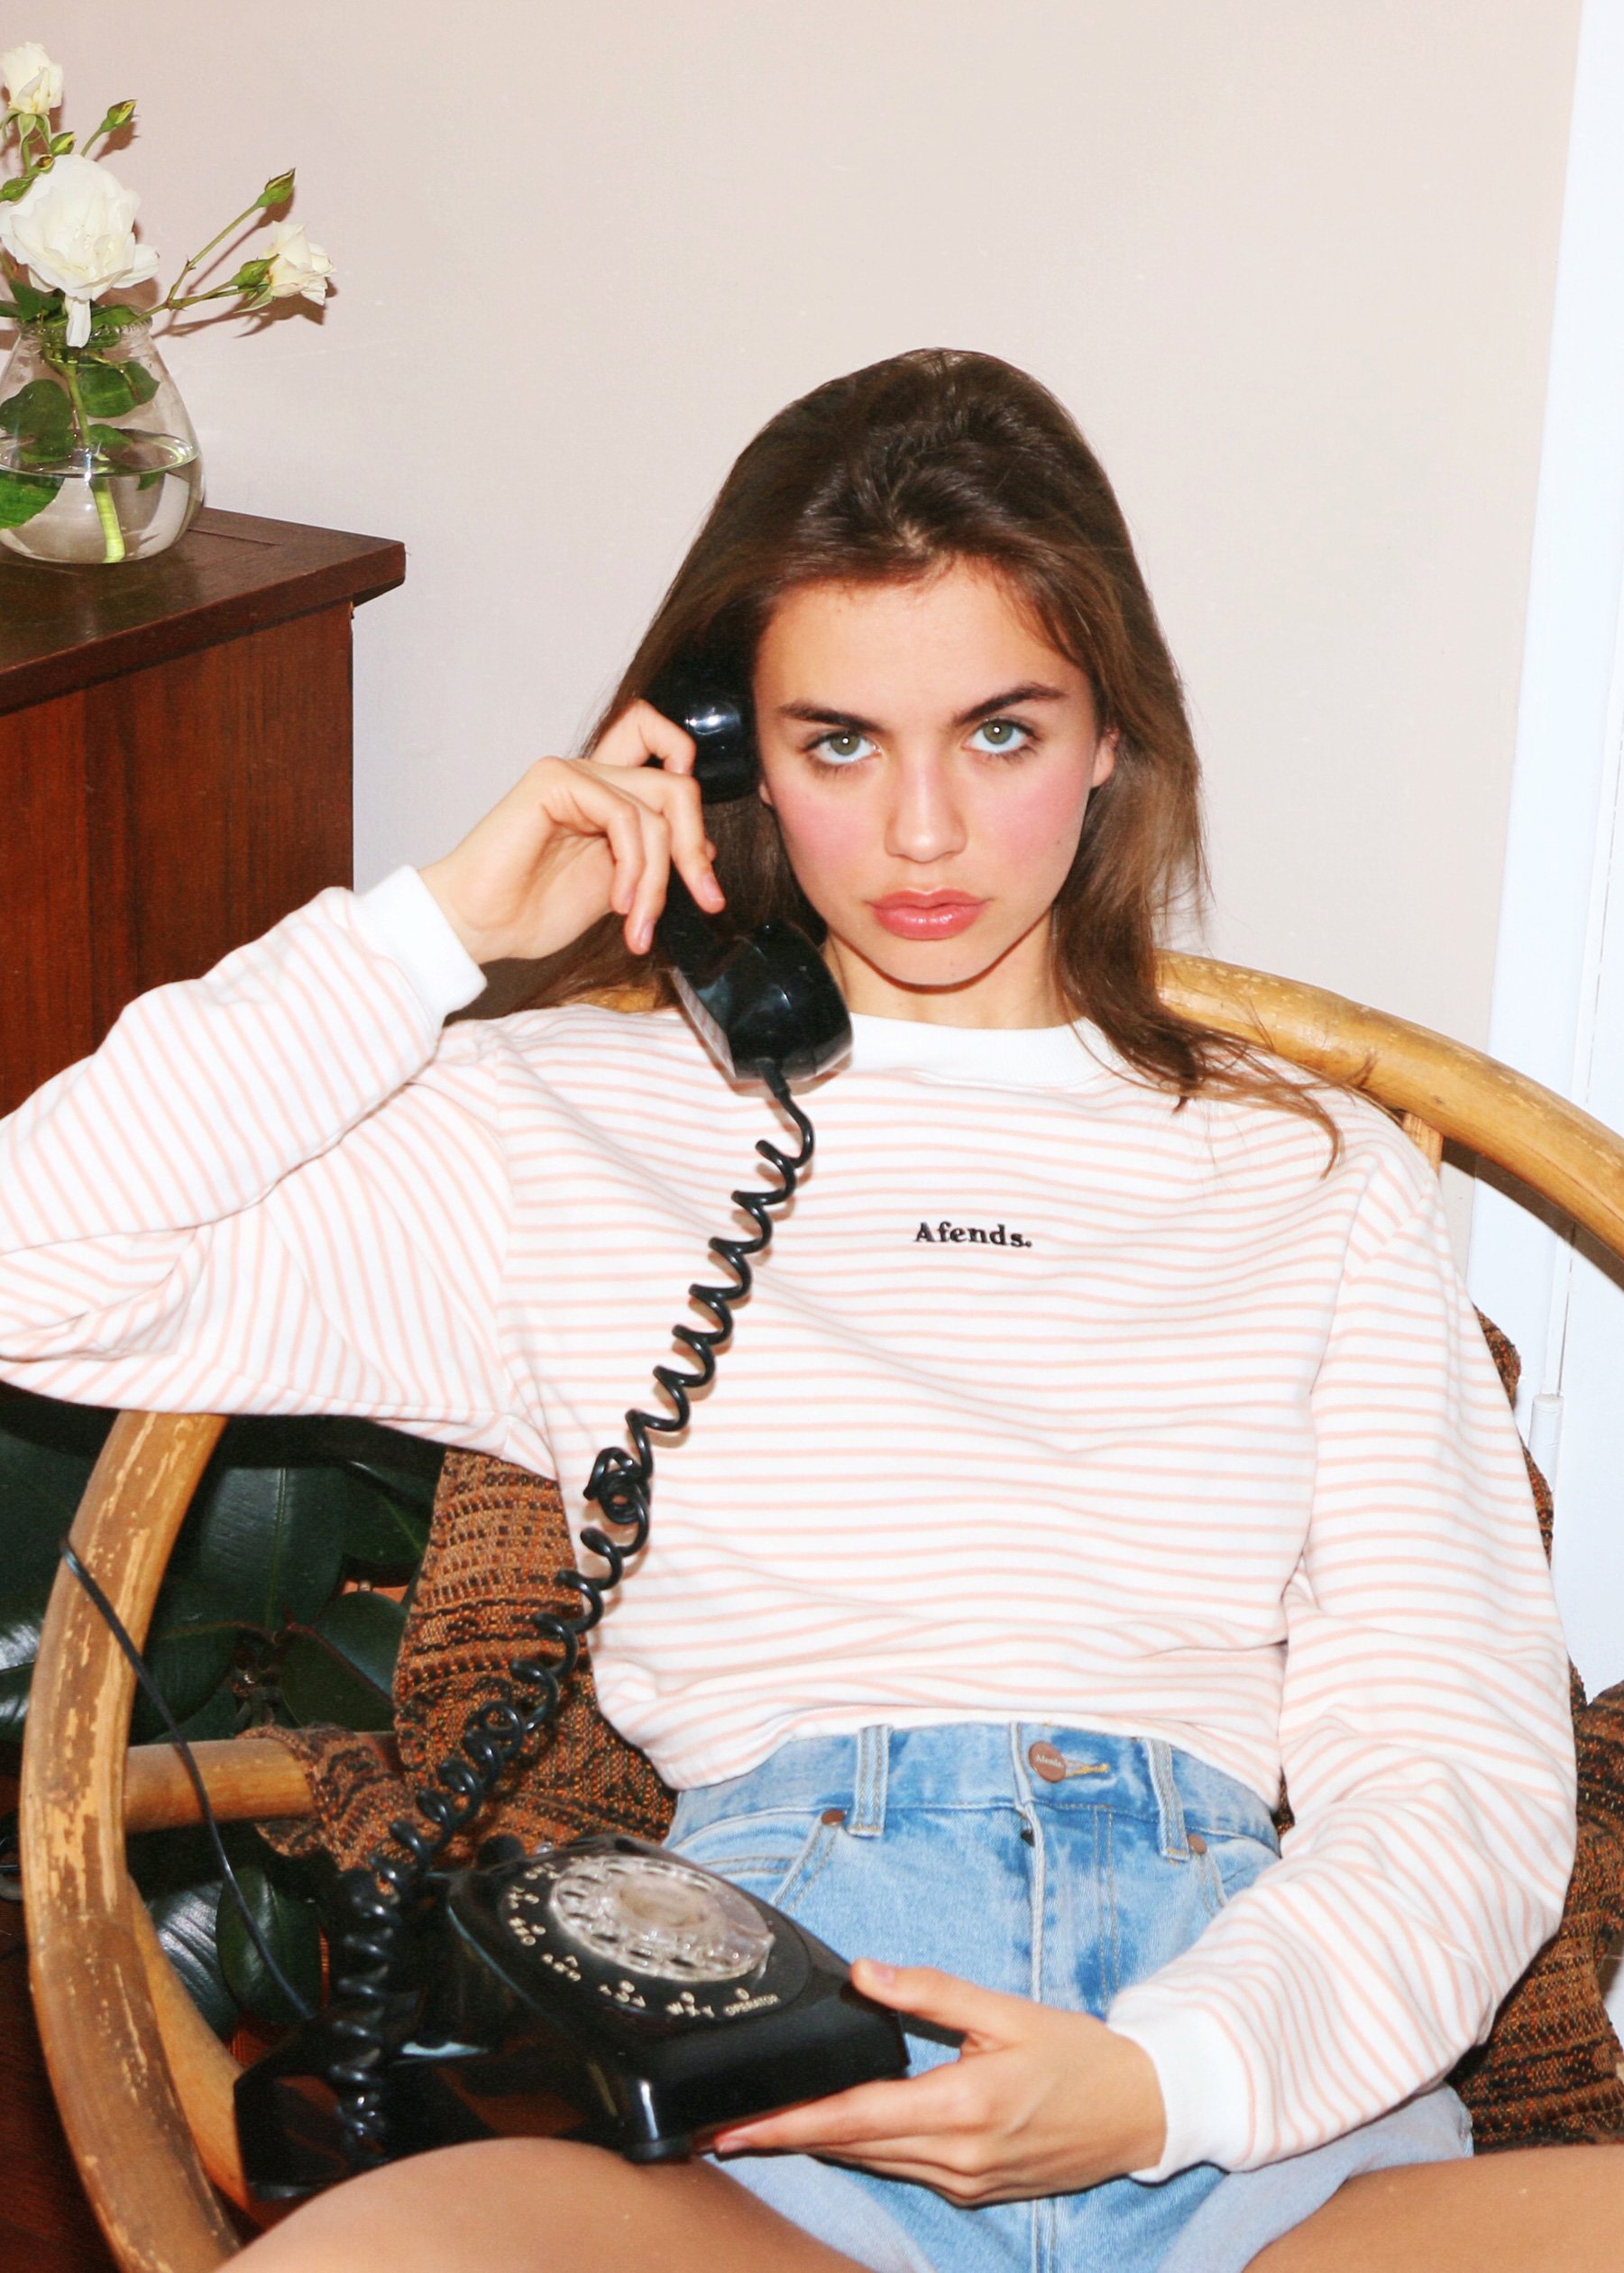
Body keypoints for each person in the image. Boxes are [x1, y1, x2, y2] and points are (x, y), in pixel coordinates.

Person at [0, 348, 1614, 2273]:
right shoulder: (557, 1127)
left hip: (1262, 2107)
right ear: (724, 754)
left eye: (999, 732)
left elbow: (1451, 1766)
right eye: (838, 742)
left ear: (1113, 733)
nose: (923, 834)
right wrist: (437, 930)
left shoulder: (1315, 1171)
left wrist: (1168, 2074)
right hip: (776, 2105)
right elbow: (36, 1264)